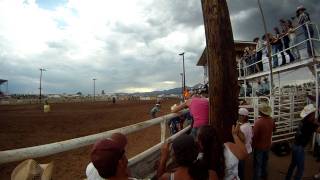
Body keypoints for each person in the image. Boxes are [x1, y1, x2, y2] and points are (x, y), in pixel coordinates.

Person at [285, 104, 320, 180]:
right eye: (313, 113)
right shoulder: (310, 124)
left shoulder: (303, 121)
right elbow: (318, 130)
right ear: (310, 115)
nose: (314, 115)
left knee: (293, 165)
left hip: (295, 145)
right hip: (299, 148)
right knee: (300, 169)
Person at [252, 103, 276, 180]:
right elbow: (274, 130)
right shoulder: (272, 120)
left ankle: (257, 178)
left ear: (260, 112)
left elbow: (254, 136)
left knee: (258, 164)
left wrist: (253, 145)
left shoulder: (258, 122)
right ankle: (264, 175)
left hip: (259, 146)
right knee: (265, 162)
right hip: (268, 145)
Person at [237, 108, 253, 180]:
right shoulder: (248, 125)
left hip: (243, 150)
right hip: (248, 149)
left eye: (239, 115)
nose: (238, 116)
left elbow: (241, 140)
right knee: (244, 169)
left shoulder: (242, 128)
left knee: (241, 170)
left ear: (243, 116)